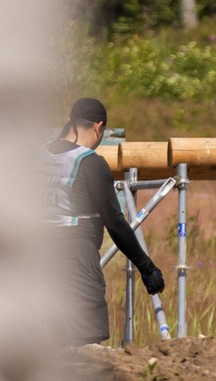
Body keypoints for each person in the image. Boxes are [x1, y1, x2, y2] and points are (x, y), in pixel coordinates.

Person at [47, 98, 165, 345]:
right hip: (75, 258)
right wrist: (147, 268)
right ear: (99, 128)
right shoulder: (89, 162)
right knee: (84, 347)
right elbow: (114, 222)